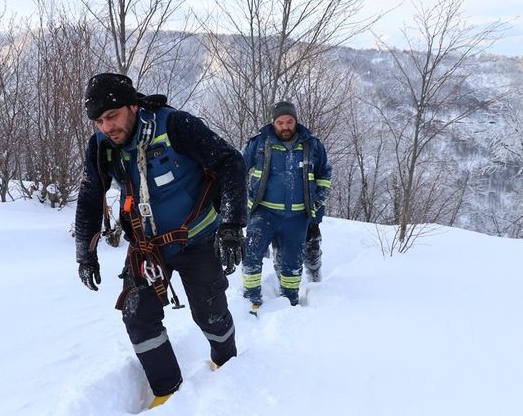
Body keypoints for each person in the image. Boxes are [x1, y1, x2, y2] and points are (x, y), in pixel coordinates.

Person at [74, 73, 246, 408]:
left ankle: (227, 366)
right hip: (147, 248)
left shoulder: (176, 125)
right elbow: (90, 197)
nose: (107, 127)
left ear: (133, 106)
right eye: (99, 121)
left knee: (210, 314)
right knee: (137, 316)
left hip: (198, 239)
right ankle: (167, 391)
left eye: (112, 116)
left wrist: (231, 225)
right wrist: (85, 253)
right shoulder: (101, 147)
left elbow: (231, 161)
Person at [242, 101, 331, 308]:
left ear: (296, 121)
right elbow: (238, 168)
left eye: (289, 122)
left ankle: (290, 302)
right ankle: (251, 300)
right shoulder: (259, 143)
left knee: (292, 265)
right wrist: (242, 200)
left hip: (297, 218)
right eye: (280, 122)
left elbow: (325, 173)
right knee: (252, 256)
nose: (285, 127)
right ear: (273, 123)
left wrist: (319, 199)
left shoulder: (312, 144)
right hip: (263, 213)